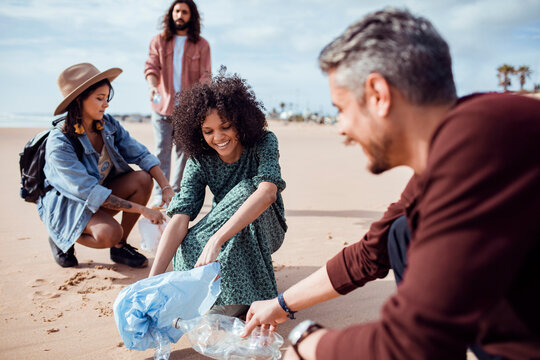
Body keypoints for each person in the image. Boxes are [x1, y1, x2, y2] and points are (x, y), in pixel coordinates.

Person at [243, 8, 540, 360]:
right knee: (401, 234)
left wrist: (307, 342)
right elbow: (373, 251)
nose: (340, 127)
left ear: (378, 94)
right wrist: (280, 304)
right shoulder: (463, 134)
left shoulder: (480, 144)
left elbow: (409, 341)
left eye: (341, 108)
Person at [149, 70, 287, 317]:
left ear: (240, 122)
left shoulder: (264, 142)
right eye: (208, 131)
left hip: (267, 226)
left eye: (226, 126)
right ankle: (217, 300)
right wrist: (150, 281)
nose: (218, 137)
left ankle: (245, 299)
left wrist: (217, 240)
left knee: (248, 190)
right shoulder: (200, 159)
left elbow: (267, 193)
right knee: (188, 243)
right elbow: (181, 216)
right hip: (224, 223)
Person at [40, 63, 174, 268]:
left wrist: (165, 187)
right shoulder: (60, 143)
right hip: (70, 204)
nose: (106, 105)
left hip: (99, 194)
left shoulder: (107, 124)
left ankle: (120, 248)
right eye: (99, 98)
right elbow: (88, 193)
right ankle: (61, 236)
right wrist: (142, 210)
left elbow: (140, 154)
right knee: (109, 233)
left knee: (143, 179)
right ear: (79, 100)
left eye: (107, 98)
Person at [144, 0, 212, 209]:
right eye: (176, 11)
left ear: (191, 16)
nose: (180, 15)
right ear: (171, 14)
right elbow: (151, 67)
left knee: (184, 152)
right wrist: (153, 86)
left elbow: (206, 75)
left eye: (184, 11)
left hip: (188, 110)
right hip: (161, 106)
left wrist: (198, 101)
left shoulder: (202, 45)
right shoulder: (158, 41)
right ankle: (160, 194)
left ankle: (176, 193)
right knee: (161, 150)